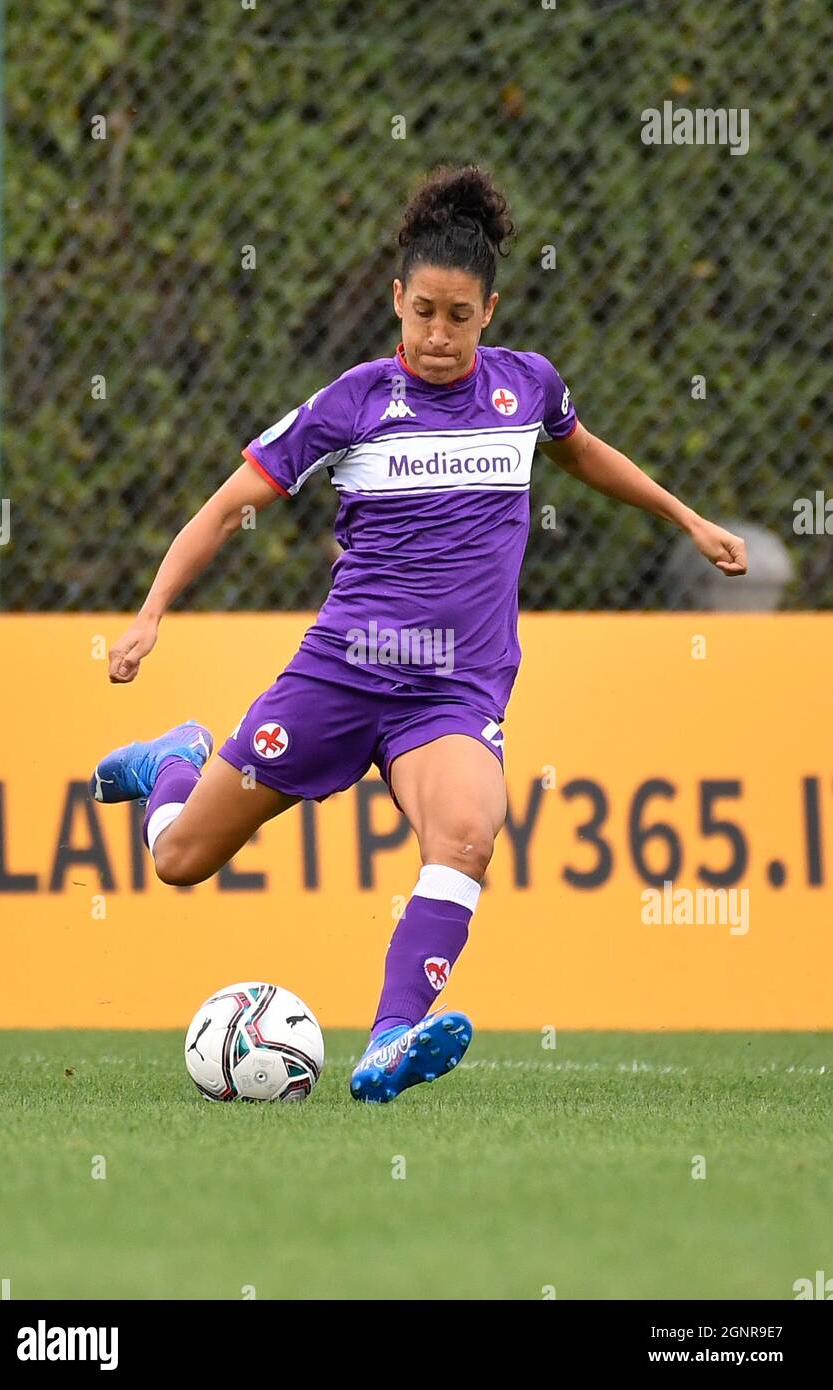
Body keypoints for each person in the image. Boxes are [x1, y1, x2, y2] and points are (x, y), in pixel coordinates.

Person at [90, 163, 747, 1104]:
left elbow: (583, 453)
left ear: (491, 310)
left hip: (454, 689)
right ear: (398, 301)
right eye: (423, 312)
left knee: (471, 833)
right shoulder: (351, 403)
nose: (439, 336)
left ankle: (388, 1039)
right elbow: (232, 504)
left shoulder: (529, 389)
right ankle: (175, 763)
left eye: (460, 316)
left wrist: (687, 519)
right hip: (344, 674)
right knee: (179, 860)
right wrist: (151, 614)